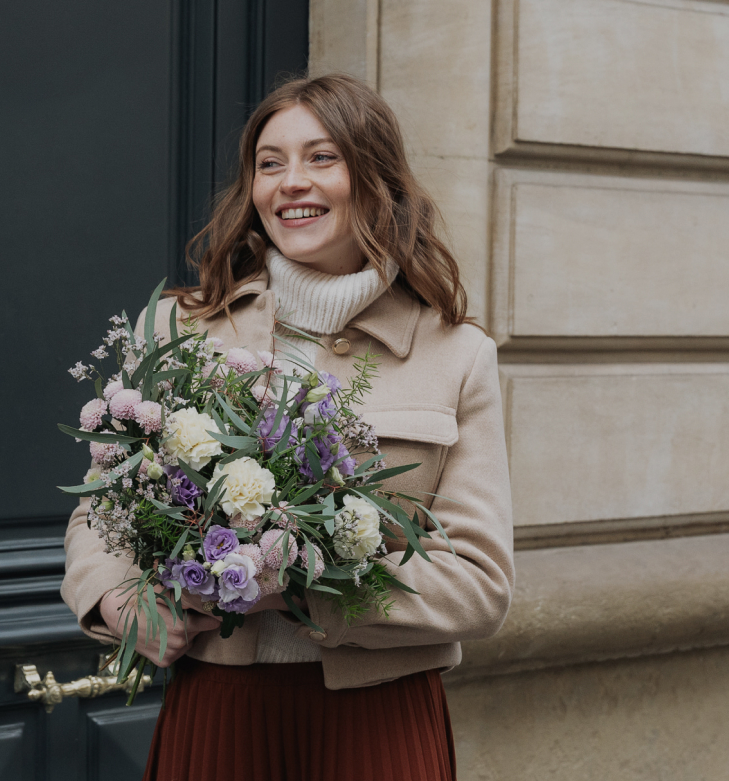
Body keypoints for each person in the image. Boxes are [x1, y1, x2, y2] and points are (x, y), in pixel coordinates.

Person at [59, 73, 514, 781]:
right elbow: (102, 509)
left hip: (378, 721)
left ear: (374, 179)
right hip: (221, 706)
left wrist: (302, 583)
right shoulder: (176, 328)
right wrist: (118, 600)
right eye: (270, 163)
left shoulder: (457, 353)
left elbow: (480, 584)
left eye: (321, 158)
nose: (291, 182)